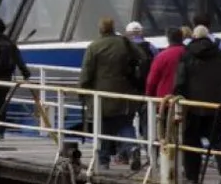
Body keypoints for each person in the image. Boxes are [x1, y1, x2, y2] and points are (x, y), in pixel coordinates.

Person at [78, 17, 143, 170]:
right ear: (113, 28)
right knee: (125, 124)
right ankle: (133, 148)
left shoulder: (94, 47)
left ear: (100, 29)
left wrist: (82, 91)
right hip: (125, 93)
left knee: (103, 128)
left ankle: (103, 161)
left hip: (102, 96)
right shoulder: (125, 42)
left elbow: (86, 73)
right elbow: (142, 57)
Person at [175, 25, 221, 184]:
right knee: (217, 139)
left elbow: (181, 80)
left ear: (194, 36)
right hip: (215, 104)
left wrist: (178, 96)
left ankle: (192, 175)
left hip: (193, 104)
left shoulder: (186, 54)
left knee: (191, 140)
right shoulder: (219, 53)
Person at [146, 27, 185, 99]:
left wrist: (149, 96)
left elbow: (152, 81)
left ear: (168, 39)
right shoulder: (189, 53)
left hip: (165, 98)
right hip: (187, 100)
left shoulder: (161, 57)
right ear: (182, 37)